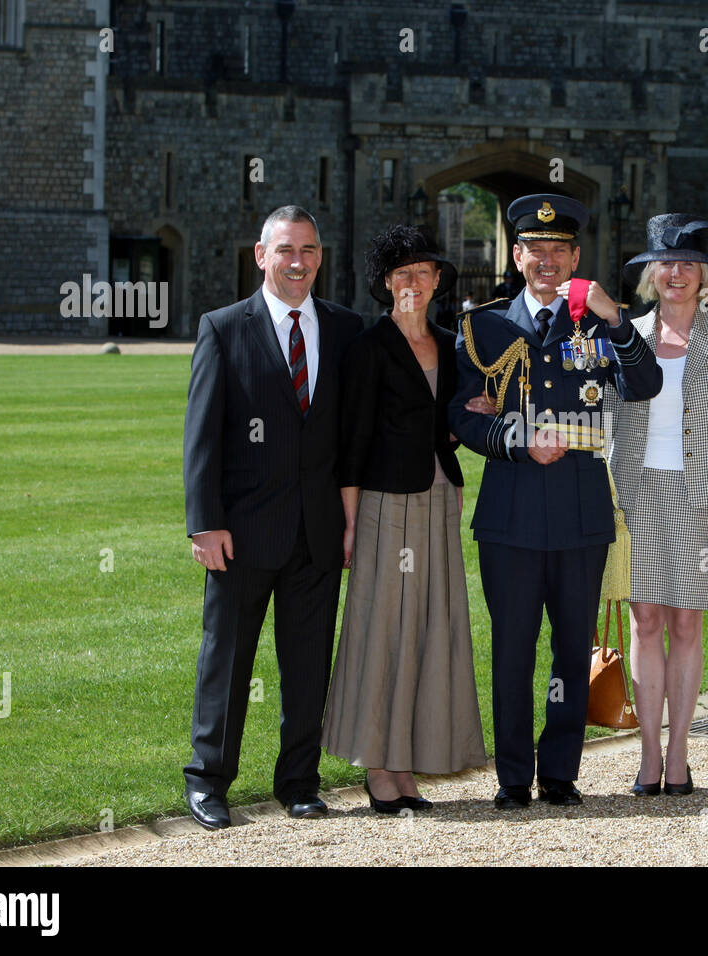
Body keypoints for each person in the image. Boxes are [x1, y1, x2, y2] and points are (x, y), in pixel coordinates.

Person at [449, 193, 662, 809]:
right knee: (512, 650)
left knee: (572, 648)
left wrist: (617, 319)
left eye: (559, 250)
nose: (547, 260)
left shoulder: (596, 320)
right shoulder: (483, 325)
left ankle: (561, 771)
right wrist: (515, 439)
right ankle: (515, 775)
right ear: (517, 256)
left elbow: (644, 383)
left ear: (576, 256)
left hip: (580, 511)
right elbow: (461, 418)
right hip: (511, 513)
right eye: (535, 250)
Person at [182, 205, 364, 829]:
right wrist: (204, 522)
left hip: (317, 534)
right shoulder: (223, 328)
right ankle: (208, 780)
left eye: (309, 250)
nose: (298, 262)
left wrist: (349, 519)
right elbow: (201, 435)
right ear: (261, 255)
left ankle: (300, 783)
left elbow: (348, 436)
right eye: (286, 249)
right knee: (226, 661)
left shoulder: (344, 329)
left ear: (320, 257)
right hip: (241, 533)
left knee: (308, 665)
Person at [320, 225, 487, 814]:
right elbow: (353, 442)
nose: (413, 283)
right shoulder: (369, 348)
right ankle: (381, 768)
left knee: (430, 630)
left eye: (423, 272)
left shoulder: (452, 343)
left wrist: (474, 414)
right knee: (385, 632)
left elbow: (453, 425)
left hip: (441, 501)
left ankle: (409, 763)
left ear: (439, 281)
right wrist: (349, 522)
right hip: (384, 508)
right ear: (386, 286)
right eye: (401, 275)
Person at [605, 214, 708, 796]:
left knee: (687, 624)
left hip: (701, 499)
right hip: (638, 495)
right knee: (645, 622)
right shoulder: (625, 335)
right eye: (666, 262)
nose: (677, 272)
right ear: (650, 273)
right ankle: (648, 754)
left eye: (688, 263)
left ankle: (679, 756)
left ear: (704, 277)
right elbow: (603, 418)